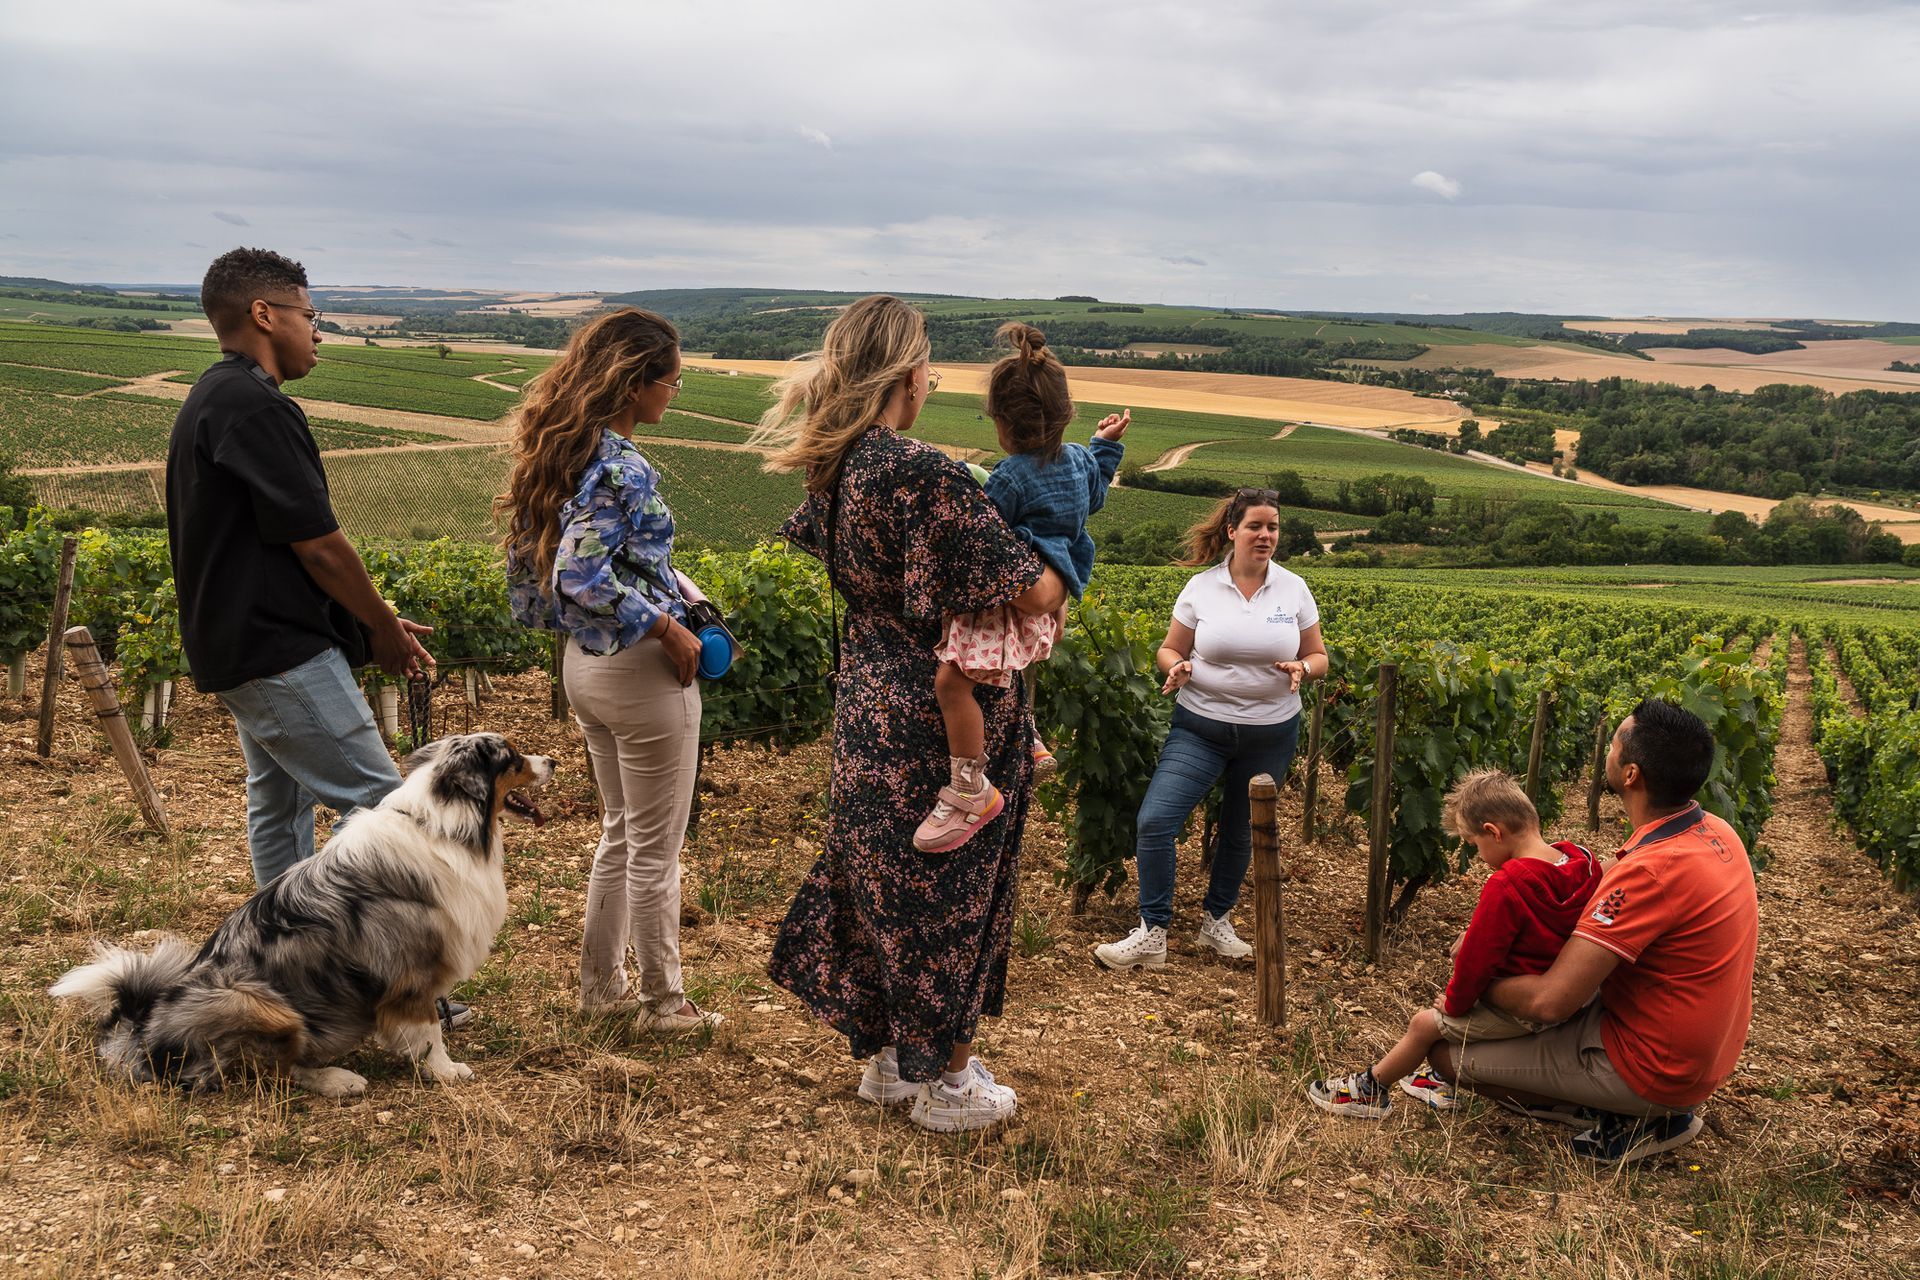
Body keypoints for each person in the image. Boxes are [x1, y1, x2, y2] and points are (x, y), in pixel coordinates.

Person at [757, 295, 1068, 1133]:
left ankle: (895, 1060)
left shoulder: (841, 464)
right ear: (908, 372)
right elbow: (1029, 586)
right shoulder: (921, 472)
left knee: (882, 882)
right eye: (928, 361)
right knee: (948, 892)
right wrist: (1061, 565)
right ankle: (950, 1083)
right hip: (938, 715)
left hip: (868, 702)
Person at [165, 251, 433, 874]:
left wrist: (376, 617)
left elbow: (269, 544)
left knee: (279, 807)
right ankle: (378, 960)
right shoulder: (256, 406)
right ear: (264, 314)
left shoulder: (215, 395)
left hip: (238, 645)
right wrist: (380, 626)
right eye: (310, 315)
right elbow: (317, 544)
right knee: (386, 808)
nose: (318, 332)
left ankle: (283, 960)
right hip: (279, 650)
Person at [499, 308, 720, 1036]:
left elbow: (587, 571)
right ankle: (665, 1003)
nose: (676, 393)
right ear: (636, 384)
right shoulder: (623, 464)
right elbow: (582, 574)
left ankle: (602, 988)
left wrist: (676, 589)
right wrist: (666, 627)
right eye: (672, 379)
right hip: (640, 671)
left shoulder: (566, 453)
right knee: (657, 849)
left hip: (583, 667)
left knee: (621, 833)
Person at [1428, 699, 1759, 1165]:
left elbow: (1550, 1001)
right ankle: (1644, 1105)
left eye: (1617, 740)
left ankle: (1632, 1114)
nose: (1608, 746)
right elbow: (1602, 906)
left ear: (1631, 775)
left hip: (1654, 1068)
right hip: (1701, 1051)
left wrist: (1478, 976)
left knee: (1446, 1055)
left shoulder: (1651, 871)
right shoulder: (1714, 831)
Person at [917, 321, 1128, 853]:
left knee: (953, 682)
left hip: (1009, 600)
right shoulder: (1079, 462)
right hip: (1057, 587)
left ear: (1002, 424)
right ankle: (1027, 740)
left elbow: (983, 534)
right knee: (999, 670)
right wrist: (1104, 447)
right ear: (1065, 415)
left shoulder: (1010, 474)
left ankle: (970, 785)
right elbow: (1097, 492)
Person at [1095, 488, 1327, 970]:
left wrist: (1304, 668)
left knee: (1241, 832)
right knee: (1156, 821)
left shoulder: (1294, 588)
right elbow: (1168, 648)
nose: (1265, 535)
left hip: (1270, 732)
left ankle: (1216, 923)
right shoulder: (1202, 587)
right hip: (1200, 727)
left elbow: (1319, 655)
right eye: (1255, 526)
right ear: (1232, 531)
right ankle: (1153, 931)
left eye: (1273, 527)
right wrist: (1176, 666)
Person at [1307, 769, 1600, 1118]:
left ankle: (1371, 1089)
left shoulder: (1507, 885)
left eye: (1474, 844)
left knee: (1424, 1025)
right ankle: (1434, 1078)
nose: (1476, 855)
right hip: (1567, 997)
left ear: (1493, 832)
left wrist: (1454, 1003)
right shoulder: (1582, 862)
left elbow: (1478, 961)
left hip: (1520, 1009)